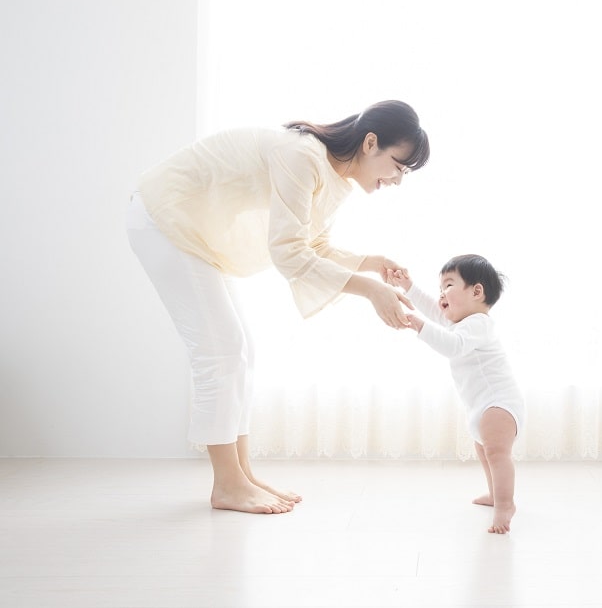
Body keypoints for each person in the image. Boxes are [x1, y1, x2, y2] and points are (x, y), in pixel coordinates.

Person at [126, 100, 429, 514]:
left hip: (188, 228)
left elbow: (312, 244)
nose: (396, 180)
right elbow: (288, 253)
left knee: (240, 350)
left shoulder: (332, 174)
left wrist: (370, 264)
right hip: (164, 216)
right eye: (397, 165)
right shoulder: (302, 156)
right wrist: (370, 291)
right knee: (221, 351)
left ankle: (242, 475)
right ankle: (227, 485)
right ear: (370, 143)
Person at [386, 255, 525, 534]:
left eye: (448, 285)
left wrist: (418, 325)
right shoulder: (461, 322)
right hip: (481, 406)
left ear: (476, 291)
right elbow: (434, 311)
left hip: (499, 403)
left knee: (497, 454)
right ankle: (495, 494)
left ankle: (505, 504)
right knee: (485, 452)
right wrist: (409, 286)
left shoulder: (478, 323)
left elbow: (453, 346)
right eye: (440, 289)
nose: (441, 295)